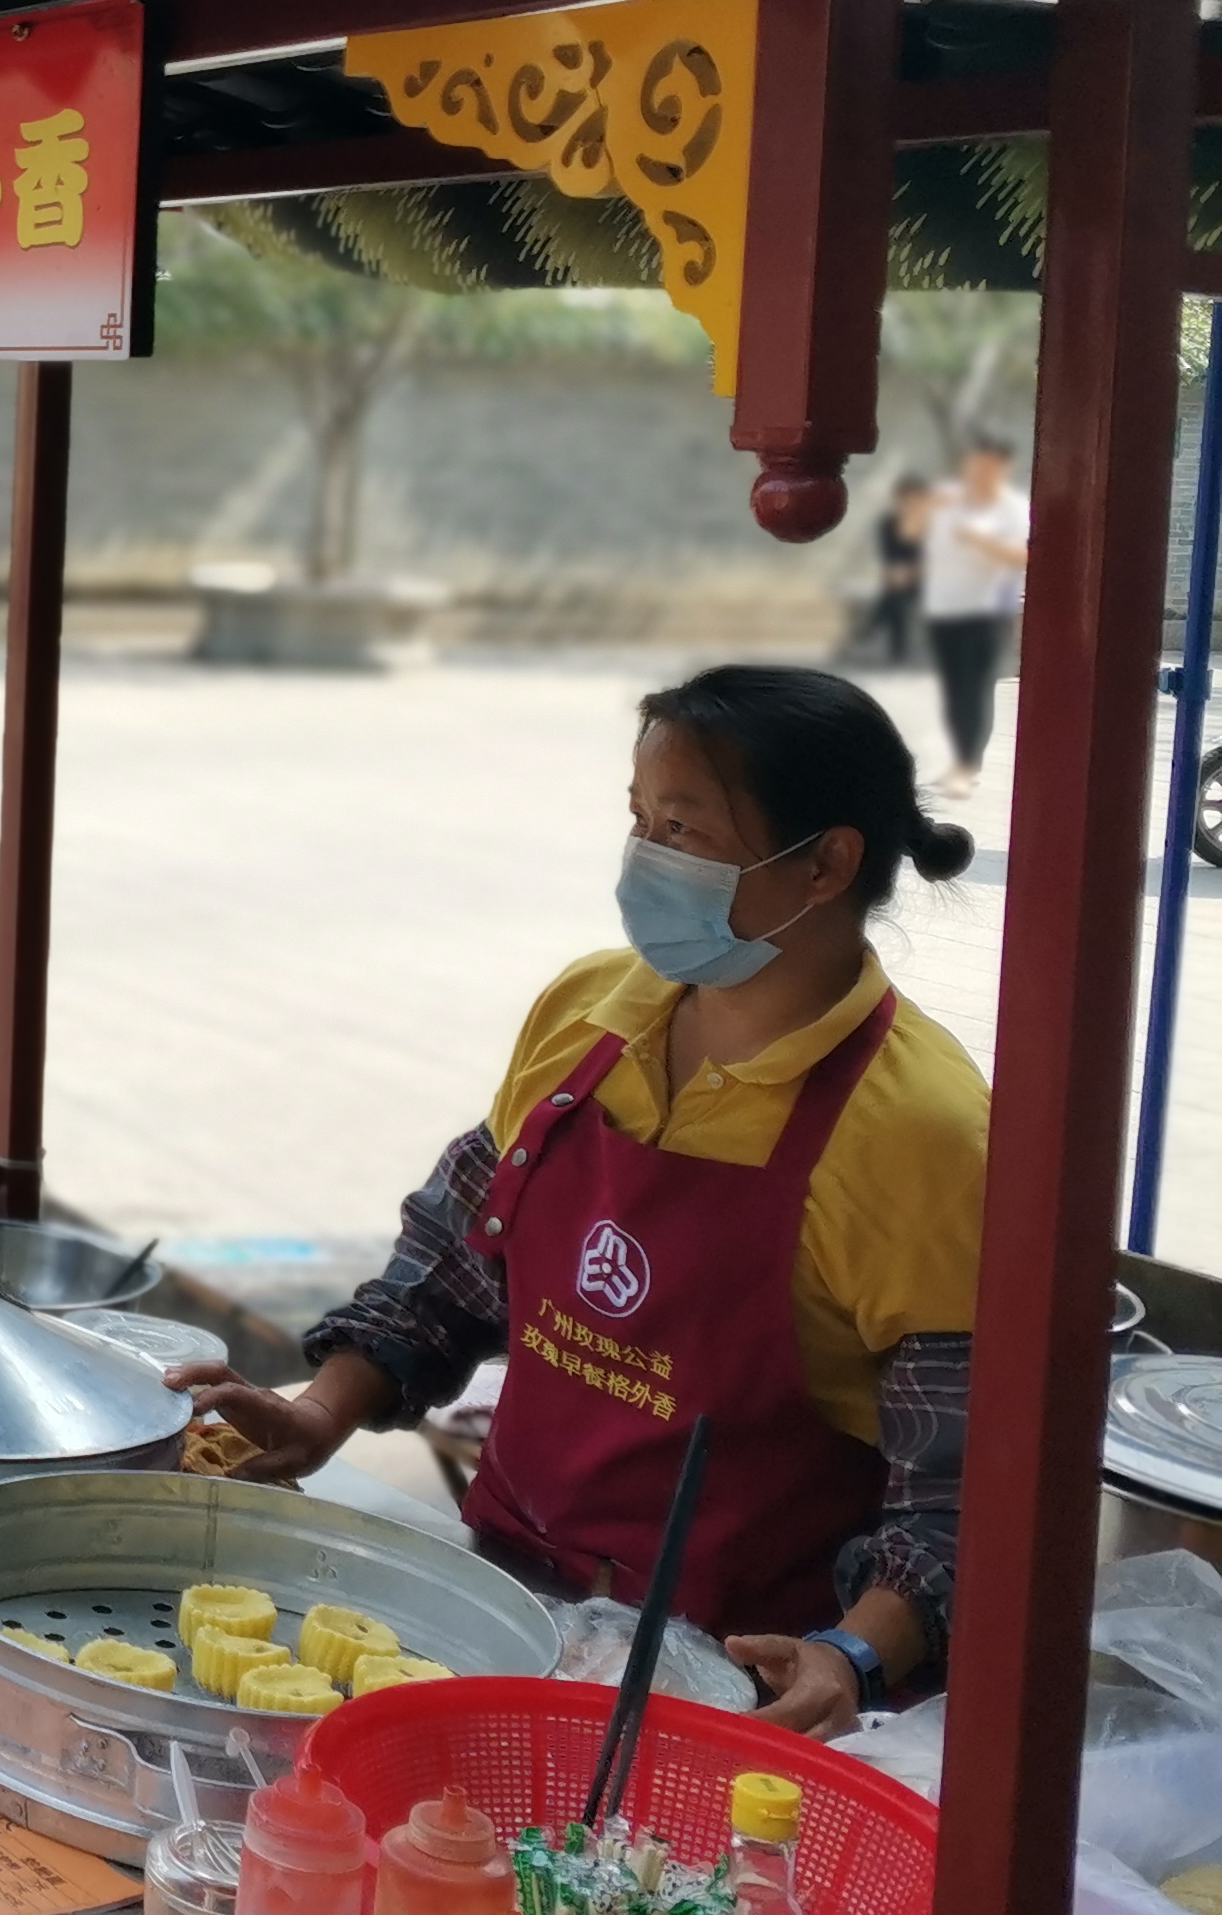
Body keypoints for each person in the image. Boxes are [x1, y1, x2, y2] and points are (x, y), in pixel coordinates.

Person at [172, 665, 985, 1736]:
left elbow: (962, 1487)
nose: (644, 859)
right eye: (638, 821)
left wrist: (853, 1657)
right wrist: (321, 1410)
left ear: (826, 862)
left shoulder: (922, 1132)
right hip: (498, 1595)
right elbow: (456, 1258)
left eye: (682, 831)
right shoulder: (591, 1013)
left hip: (736, 1679)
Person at [921, 435, 1030, 795]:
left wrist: (975, 542)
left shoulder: (1012, 508)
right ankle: (959, 759)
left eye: (985, 465)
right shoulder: (950, 504)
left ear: (999, 467)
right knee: (953, 691)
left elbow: (1020, 558)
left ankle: (968, 766)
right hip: (946, 610)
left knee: (976, 691)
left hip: (987, 614)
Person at [855, 473, 931, 668]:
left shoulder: (933, 525)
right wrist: (898, 573)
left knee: (894, 596)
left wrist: (912, 572)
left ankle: (871, 628)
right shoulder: (888, 524)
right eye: (906, 499)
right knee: (896, 595)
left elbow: (935, 560)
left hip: (928, 580)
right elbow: (889, 557)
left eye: (915, 499)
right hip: (899, 579)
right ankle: (896, 651)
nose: (910, 504)